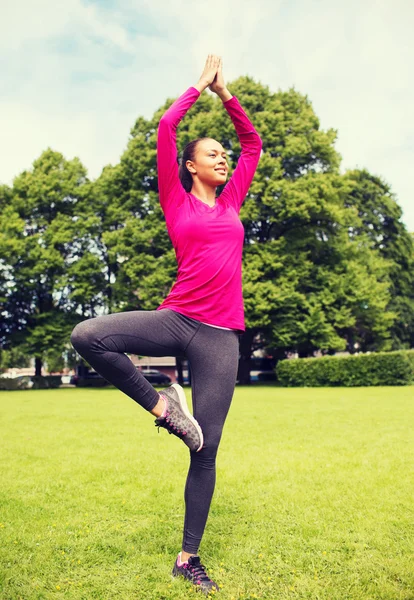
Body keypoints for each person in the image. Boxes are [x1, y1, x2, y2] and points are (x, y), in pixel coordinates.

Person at [70, 54, 262, 595]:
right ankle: (164, 409)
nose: (223, 158)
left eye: (223, 154)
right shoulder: (177, 202)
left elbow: (253, 145)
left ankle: (188, 558)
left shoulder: (231, 205)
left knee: (208, 450)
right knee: (89, 335)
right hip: (176, 318)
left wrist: (228, 97)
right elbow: (166, 126)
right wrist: (199, 86)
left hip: (221, 337)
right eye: (212, 154)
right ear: (192, 166)